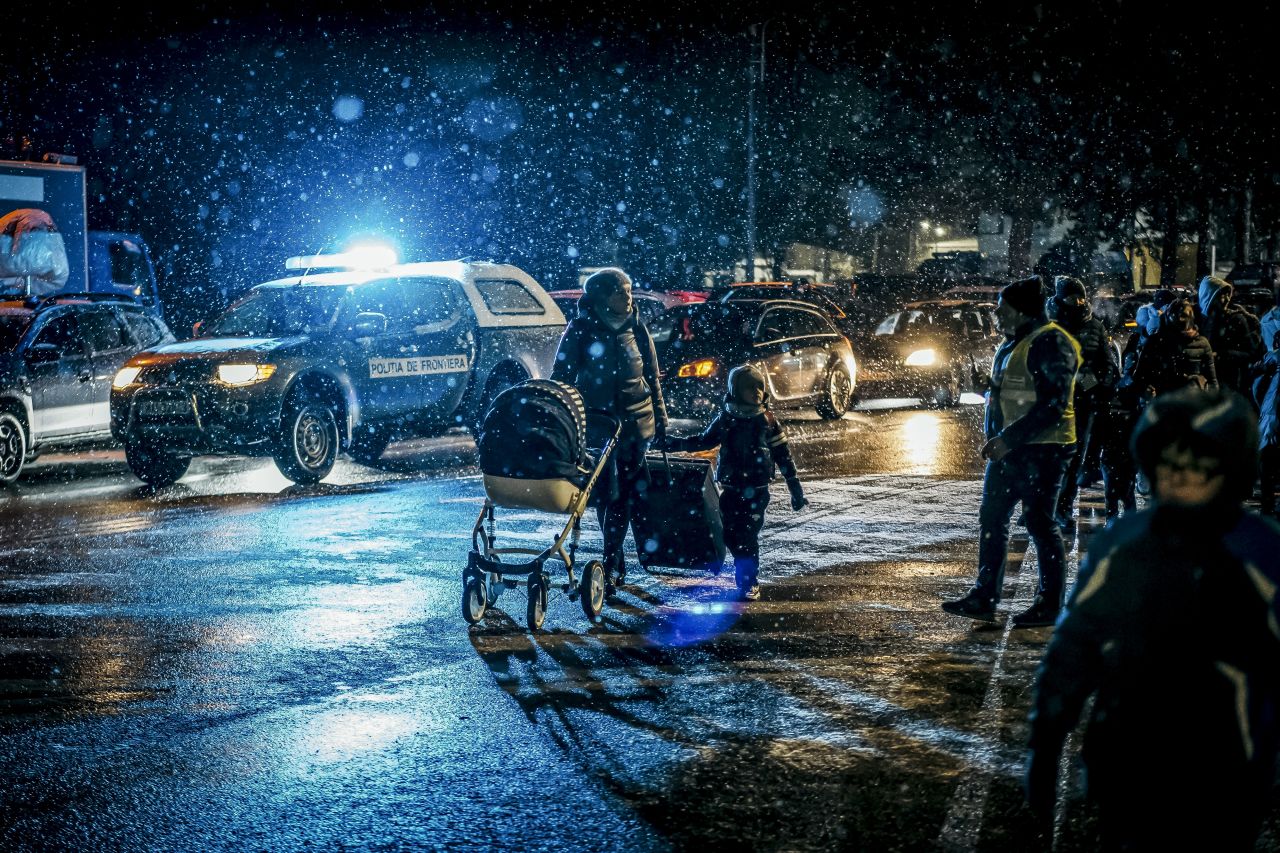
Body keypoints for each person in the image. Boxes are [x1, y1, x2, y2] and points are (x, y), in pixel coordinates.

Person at [1025, 387, 1280, 852]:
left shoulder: (1262, 554)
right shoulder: (1124, 546)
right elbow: (1073, 649)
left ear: (1231, 472)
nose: (1181, 478)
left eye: (1199, 466)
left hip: (1229, 764)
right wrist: (1045, 744)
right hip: (1129, 758)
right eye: (1169, 465)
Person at [942, 277, 1081, 628]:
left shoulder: (1051, 342)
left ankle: (1048, 605)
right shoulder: (1014, 342)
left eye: (1002, 309)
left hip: (1045, 449)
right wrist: (987, 388)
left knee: (1040, 523)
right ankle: (984, 597)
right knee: (992, 519)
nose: (997, 316)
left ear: (1020, 311)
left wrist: (1009, 438)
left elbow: (1053, 403)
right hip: (1011, 449)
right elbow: (1016, 390)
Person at [551, 267, 668, 592]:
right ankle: (613, 559)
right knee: (608, 493)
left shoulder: (636, 325)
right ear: (603, 296)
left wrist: (660, 418)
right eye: (621, 291)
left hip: (636, 424)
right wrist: (560, 417)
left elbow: (652, 377)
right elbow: (561, 376)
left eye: (629, 290)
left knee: (625, 494)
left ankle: (613, 560)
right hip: (599, 424)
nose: (627, 296)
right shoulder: (581, 329)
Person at [659, 364, 808, 600]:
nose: (756, 393)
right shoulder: (727, 418)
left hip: (757, 491)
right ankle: (744, 571)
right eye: (750, 388)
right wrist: (674, 443)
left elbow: (783, 456)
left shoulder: (767, 420)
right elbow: (704, 442)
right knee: (731, 534)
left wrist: (795, 489)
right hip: (731, 488)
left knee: (747, 535)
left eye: (759, 387)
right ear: (737, 391)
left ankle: (749, 582)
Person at [1047, 277, 1118, 529]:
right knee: (1051, 457)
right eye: (1071, 297)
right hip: (1053, 401)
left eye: (1080, 297)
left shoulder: (1094, 326)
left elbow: (1106, 362)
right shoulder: (1049, 325)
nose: (1077, 302)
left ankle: (1063, 508)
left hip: (1083, 400)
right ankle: (1044, 505)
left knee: (1074, 456)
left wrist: (1098, 385)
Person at [1129, 297, 1217, 399]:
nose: (1181, 320)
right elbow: (1139, 378)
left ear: (1192, 318)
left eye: (1185, 316)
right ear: (1169, 317)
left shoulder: (1202, 343)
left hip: (1194, 406)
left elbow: (1212, 382)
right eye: (1177, 315)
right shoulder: (1156, 342)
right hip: (1164, 404)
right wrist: (1145, 390)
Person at [1197, 275, 1263, 396]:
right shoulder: (1196, 320)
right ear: (1209, 297)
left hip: (1229, 384)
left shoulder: (1236, 320)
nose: (1227, 299)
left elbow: (1250, 353)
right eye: (1222, 295)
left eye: (1228, 294)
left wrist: (1221, 355)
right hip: (1202, 384)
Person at [1254, 330, 1280, 518]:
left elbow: (1257, 385)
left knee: (1267, 460)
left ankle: (1267, 504)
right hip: (1272, 413)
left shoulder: (1273, 358)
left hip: (1273, 414)